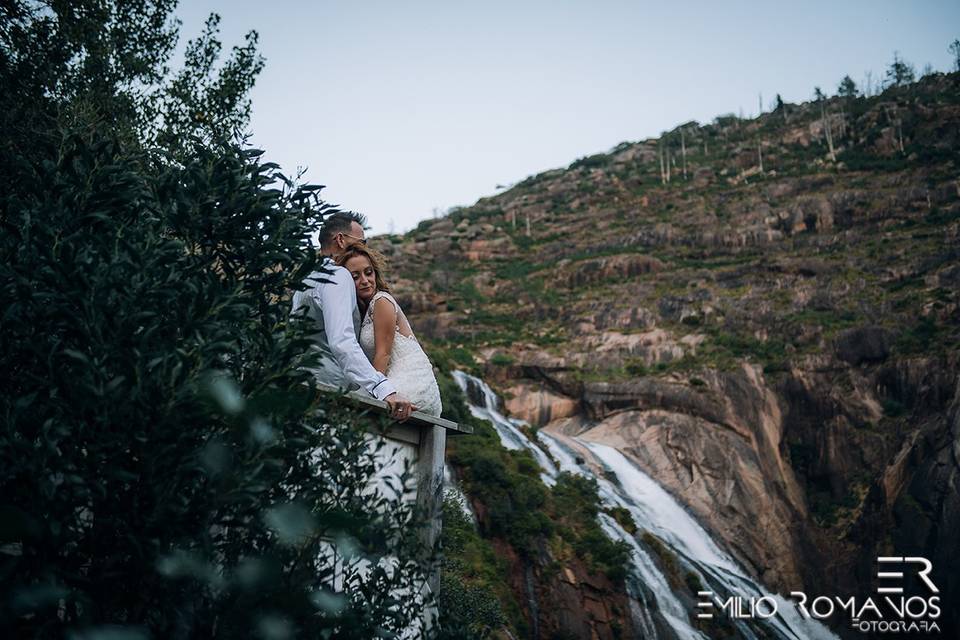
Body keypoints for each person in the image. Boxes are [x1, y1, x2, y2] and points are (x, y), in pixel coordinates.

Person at [291, 211, 415, 421]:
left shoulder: (305, 280)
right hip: (328, 392)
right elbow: (342, 341)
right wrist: (383, 390)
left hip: (297, 384)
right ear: (340, 239)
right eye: (362, 242)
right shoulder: (337, 276)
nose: (365, 248)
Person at [336, 244, 442, 417]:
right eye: (355, 277)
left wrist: (375, 390)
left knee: (353, 404)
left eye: (368, 272)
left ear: (375, 273)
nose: (364, 280)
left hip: (414, 382)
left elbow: (383, 354)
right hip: (394, 377)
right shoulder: (363, 311)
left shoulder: (382, 300)